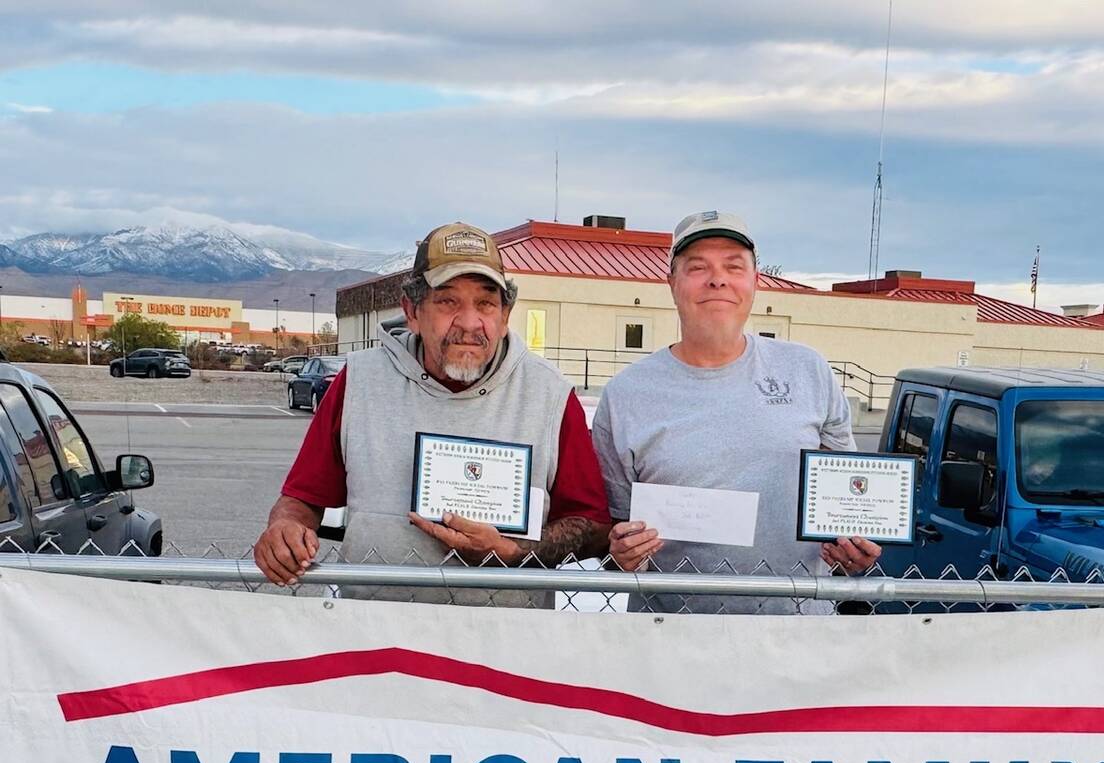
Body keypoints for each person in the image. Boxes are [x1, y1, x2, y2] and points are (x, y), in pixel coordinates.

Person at [254, 221, 611, 605]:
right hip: (376, 633)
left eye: (486, 303)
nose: (470, 323)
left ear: (505, 315)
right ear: (412, 310)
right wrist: (285, 527)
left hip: (505, 642)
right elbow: (303, 498)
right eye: (448, 301)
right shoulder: (360, 381)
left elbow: (592, 527)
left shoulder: (550, 394)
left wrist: (512, 554)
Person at [591, 210, 881, 614]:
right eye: (698, 267)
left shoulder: (808, 371)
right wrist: (619, 552)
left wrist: (856, 543)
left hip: (798, 632)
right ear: (671, 283)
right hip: (671, 635)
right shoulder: (626, 394)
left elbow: (847, 496)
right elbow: (608, 529)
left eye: (733, 266)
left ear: (755, 281)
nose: (717, 279)